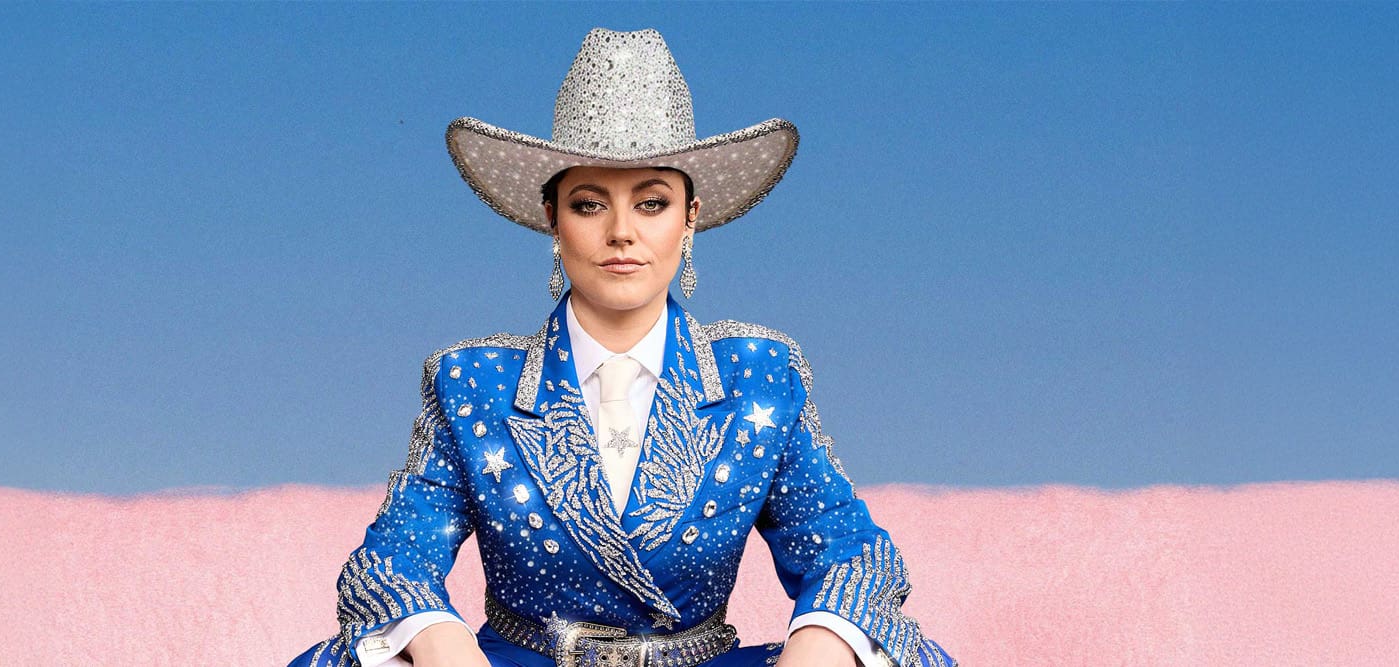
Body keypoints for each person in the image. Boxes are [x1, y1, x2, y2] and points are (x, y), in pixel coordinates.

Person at [288, 28, 958, 667]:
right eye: (588, 204)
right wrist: (442, 642)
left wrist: (819, 647)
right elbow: (391, 563)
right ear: (551, 219)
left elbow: (851, 555)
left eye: (652, 202)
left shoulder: (759, 374)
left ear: (691, 217)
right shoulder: (473, 382)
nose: (620, 232)